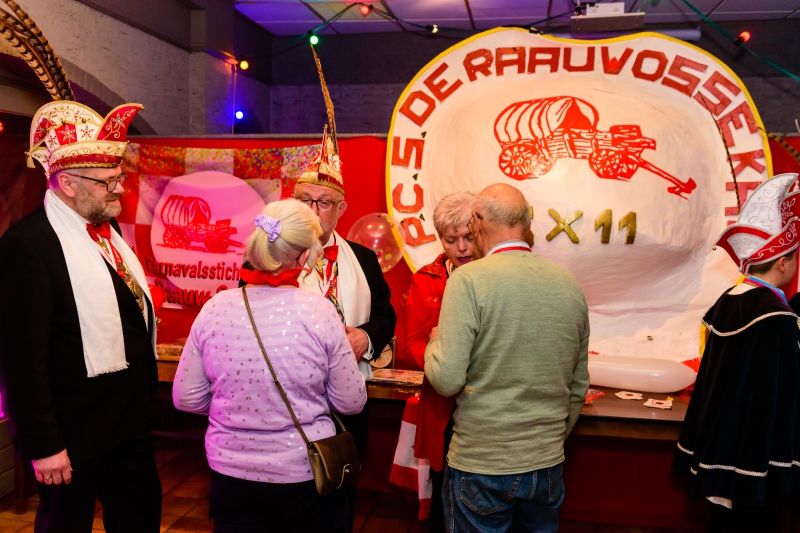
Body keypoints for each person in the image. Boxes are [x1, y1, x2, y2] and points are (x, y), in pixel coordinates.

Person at [0, 99, 162, 532]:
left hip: (128, 425)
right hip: (72, 437)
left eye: (120, 178)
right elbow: (21, 362)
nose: (120, 190)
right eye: (109, 182)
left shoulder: (109, 234)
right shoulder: (27, 246)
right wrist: (44, 446)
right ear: (68, 184)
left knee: (141, 519)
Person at [173, 199, 367, 533]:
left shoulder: (215, 307)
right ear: (303, 257)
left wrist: (234, 411)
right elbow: (351, 402)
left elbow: (186, 398)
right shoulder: (319, 311)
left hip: (229, 473)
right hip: (301, 473)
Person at [424, 183, 590, 533]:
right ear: (526, 224)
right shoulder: (569, 284)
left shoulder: (468, 280)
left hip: (482, 463)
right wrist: (549, 441)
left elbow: (447, 378)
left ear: (477, 222)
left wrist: (434, 342)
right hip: (546, 463)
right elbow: (578, 386)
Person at [674, 173, 800, 533]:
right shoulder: (776, 316)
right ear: (782, 262)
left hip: (719, 446)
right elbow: (777, 400)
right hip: (752, 460)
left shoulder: (728, 300)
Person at [402, 191, 475, 531]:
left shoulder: (497, 276)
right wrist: (440, 356)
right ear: (439, 239)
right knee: (444, 498)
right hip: (442, 405)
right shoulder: (426, 279)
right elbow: (412, 344)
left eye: (468, 237)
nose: (461, 248)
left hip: (484, 406)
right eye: (451, 240)